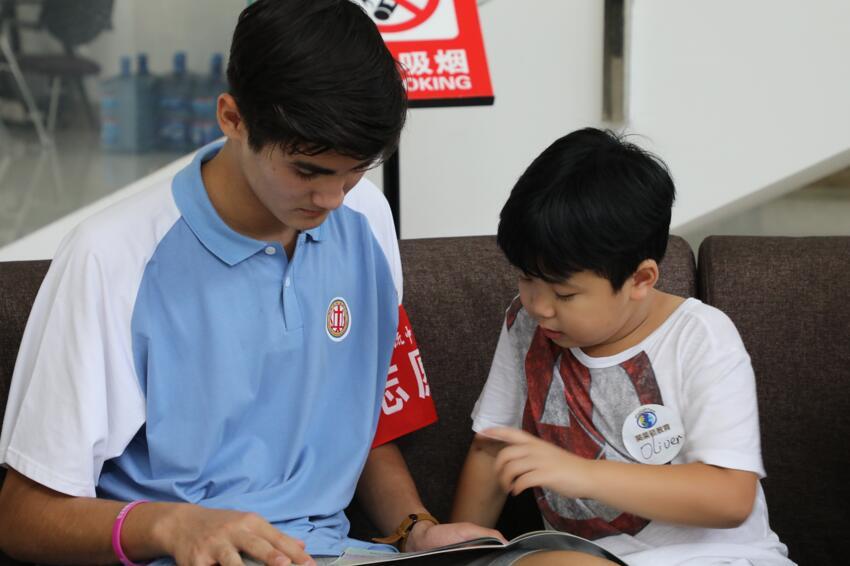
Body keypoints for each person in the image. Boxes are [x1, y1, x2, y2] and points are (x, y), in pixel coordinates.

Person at [0, 1, 500, 564]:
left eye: (355, 170)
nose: (332, 199)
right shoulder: (113, 256)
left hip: (332, 553)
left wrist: (415, 530)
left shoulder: (366, 218)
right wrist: (170, 526)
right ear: (233, 118)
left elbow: (353, 417)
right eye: (307, 171)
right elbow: (21, 516)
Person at [451, 128, 794, 565]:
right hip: (590, 557)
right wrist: (455, 554)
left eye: (565, 294)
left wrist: (583, 474)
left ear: (640, 279)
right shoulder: (526, 324)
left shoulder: (700, 336)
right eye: (525, 277)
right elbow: (492, 448)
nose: (539, 306)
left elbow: (731, 498)